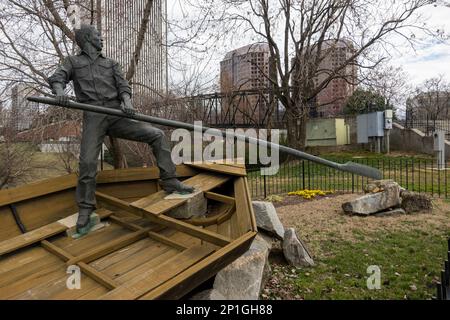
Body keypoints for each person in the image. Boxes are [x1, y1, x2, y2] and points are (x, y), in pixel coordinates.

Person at [48, 24, 194, 232]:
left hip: (117, 115)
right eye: (98, 35)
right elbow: (57, 78)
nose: (101, 38)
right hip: (94, 116)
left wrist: (127, 103)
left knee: (157, 135)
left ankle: (170, 181)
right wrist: (59, 92)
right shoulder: (73, 62)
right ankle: (86, 208)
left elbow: (123, 86)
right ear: (88, 39)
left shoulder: (111, 64)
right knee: (88, 162)